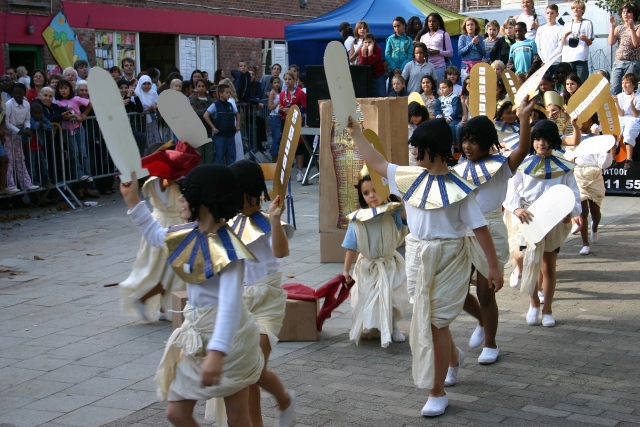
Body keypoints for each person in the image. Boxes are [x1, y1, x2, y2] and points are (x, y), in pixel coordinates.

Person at [346, 117, 503, 417]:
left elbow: (480, 228)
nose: (414, 153)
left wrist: (493, 267)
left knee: (435, 323)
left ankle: (436, 391)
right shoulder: (408, 177)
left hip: (450, 259)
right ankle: (452, 357)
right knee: (428, 318)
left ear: (435, 149)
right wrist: (356, 135)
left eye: (419, 148)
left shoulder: (460, 188)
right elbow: (377, 162)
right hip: (417, 255)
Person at [119, 165, 263, 426]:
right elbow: (155, 235)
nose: (181, 199)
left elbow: (230, 304)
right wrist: (132, 200)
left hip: (232, 340)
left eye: (186, 194)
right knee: (176, 413)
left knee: (237, 417)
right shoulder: (188, 234)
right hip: (196, 338)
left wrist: (217, 353)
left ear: (206, 200)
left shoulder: (230, 250)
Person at [453, 98, 535, 366]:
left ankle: (491, 342)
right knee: (456, 291)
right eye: (465, 139)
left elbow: (523, 148)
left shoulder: (500, 167)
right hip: (463, 232)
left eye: (474, 141)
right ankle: (480, 320)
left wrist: (523, 118)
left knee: (486, 292)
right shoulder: (456, 169)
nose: (467, 145)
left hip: (491, 228)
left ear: (487, 142)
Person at [218, 160, 296, 427]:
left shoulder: (268, 219)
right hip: (240, 302)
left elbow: (280, 251)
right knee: (245, 374)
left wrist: (275, 220)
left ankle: (284, 399)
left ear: (250, 189)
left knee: (255, 370)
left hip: (268, 300)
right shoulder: (227, 222)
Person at [503, 120, 582, 327]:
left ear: (554, 141)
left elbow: (572, 192)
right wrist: (517, 208)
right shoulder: (523, 163)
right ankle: (534, 304)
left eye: (546, 139)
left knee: (548, 266)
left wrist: (571, 213)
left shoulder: (563, 164)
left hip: (553, 221)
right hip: (527, 219)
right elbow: (510, 191)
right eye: (537, 139)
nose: (542, 143)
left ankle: (547, 309)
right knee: (525, 257)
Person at [119, 142, 200, 321]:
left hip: (171, 223)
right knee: (162, 271)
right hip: (163, 225)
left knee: (170, 271)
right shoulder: (162, 179)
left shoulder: (174, 179)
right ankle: (143, 298)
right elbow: (168, 178)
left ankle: (163, 306)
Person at [342, 171, 408, 348]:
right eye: (366, 193)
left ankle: (393, 326)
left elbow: (407, 218)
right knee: (368, 297)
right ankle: (374, 325)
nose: (372, 195)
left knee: (393, 296)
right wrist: (345, 271)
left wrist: (402, 200)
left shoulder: (393, 212)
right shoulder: (357, 219)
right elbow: (351, 246)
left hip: (389, 263)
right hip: (367, 266)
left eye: (375, 190)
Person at [55, 79, 94, 191]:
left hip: (78, 128)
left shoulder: (75, 99)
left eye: (65, 88)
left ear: (70, 89)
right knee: (74, 152)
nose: (63, 90)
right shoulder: (58, 103)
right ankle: (80, 173)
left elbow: (90, 103)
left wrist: (84, 114)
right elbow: (62, 115)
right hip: (67, 130)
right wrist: (73, 116)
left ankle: (88, 174)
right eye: (61, 88)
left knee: (83, 152)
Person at [4, 83, 39, 193]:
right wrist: (19, 131)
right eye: (15, 93)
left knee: (20, 159)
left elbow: (27, 118)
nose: (18, 95)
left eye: (20, 93)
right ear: (12, 94)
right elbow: (6, 122)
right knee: (9, 160)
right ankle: (10, 184)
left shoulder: (26, 104)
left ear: (24, 93)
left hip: (19, 134)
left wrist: (27, 128)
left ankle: (26, 183)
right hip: (9, 134)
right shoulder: (8, 104)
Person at [278, 71, 306, 181]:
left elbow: (304, 107)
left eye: (290, 79)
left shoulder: (300, 92)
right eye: (285, 79)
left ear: (294, 80)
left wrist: (294, 109)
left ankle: (299, 171)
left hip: (297, 121)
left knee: (299, 146)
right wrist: (281, 109)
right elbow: (280, 107)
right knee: (286, 146)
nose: (287, 81)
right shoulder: (282, 94)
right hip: (286, 121)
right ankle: (287, 171)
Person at [203, 84, 240, 165]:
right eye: (227, 92)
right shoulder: (215, 105)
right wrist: (213, 127)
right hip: (220, 135)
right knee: (220, 156)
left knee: (231, 156)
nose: (229, 94)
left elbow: (237, 114)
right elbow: (206, 115)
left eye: (229, 92)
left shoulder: (230, 105)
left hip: (230, 134)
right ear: (220, 94)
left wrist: (237, 125)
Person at [608, 3, 640, 95]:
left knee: (629, 88)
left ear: (634, 14)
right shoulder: (619, 28)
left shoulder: (638, 27)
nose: (625, 14)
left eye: (628, 12)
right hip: (619, 61)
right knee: (614, 88)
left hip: (632, 62)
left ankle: (630, 108)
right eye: (623, 12)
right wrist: (612, 26)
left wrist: (632, 29)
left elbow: (636, 43)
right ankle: (616, 108)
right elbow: (611, 42)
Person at [561, 0, 593, 84]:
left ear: (583, 10)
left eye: (578, 8)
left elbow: (590, 42)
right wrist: (565, 36)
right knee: (568, 84)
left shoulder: (587, 23)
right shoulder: (567, 23)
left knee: (581, 84)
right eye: (573, 8)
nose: (575, 10)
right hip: (568, 59)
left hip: (581, 59)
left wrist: (585, 39)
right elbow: (563, 42)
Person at [613, 72, 640, 169]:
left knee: (628, 133)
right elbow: (621, 113)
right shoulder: (620, 96)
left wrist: (632, 103)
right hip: (622, 118)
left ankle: (629, 159)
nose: (624, 85)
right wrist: (616, 102)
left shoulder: (638, 96)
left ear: (633, 84)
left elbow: (635, 114)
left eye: (627, 83)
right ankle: (612, 159)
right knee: (615, 132)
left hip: (634, 119)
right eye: (623, 83)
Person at [417, 13, 453, 84]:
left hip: (439, 67)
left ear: (438, 22)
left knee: (439, 88)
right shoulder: (423, 36)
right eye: (429, 21)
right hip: (425, 66)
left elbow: (450, 53)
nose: (431, 23)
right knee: (426, 88)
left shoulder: (444, 34)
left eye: (434, 21)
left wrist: (438, 52)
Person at [27, 102, 54, 189]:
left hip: (39, 145)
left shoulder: (42, 117)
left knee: (43, 164)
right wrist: (39, 123)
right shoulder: (30, 118)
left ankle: (45, 181)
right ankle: (34, 181)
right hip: (30, 146)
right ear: (31, 113)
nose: (38, 115)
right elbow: (34, 127)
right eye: (35, 113)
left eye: (40, 113)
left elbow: (50, 126)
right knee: (32, 165)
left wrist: (43, 125)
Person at [190, 78, 215, 164]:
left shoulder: (210, 99)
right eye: (199, 86)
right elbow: (194, 112)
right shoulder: (193, 100)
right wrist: (206, 111)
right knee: (199, 153)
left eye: (203, 86)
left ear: (206, 87)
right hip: (198, 131)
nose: (201, 88)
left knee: (209, 153)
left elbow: (213, 110)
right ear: (196, 87)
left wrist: (207, 112)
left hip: (208, 129)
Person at [535, 4, 564, 78]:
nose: (549, 15)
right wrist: (544, 60)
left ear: (557, 14)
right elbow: (538, 47)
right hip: (544, 64)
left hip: (556, 63)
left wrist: (548, 60)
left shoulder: (561, 28)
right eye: (547, 13)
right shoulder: (541, 29)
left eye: (552, 13)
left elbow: (560, 47)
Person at [386, 17, 413, 92]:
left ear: (403, 25)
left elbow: (410, 55)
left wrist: (402, 69)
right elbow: (387, 55)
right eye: (394, 26)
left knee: (404, 90)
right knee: (392, 90)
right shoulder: (390, 39)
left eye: (398, 26)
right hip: (392, 70)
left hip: (405, 70)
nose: (396, 28)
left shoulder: (408, 40)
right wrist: (394, 68)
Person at [135, 75, 161, 148]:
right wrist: (148, 109)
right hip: (141, 122)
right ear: (140, 84)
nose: (147, 86)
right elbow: (137, 109)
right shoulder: (137, 93)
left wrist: (155, 106)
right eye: (144, 84)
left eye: (149, 84)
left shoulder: (153, 93)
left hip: (152, 122)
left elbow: (157, 102)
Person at [358, 33, 386, 98]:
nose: (367, 44)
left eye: (370, 42)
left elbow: (371, 62)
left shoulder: (378, 49)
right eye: (365, 42)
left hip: (378, 75)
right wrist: (364, 54)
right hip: (368, 77)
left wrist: (370, 51)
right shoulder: (361, 50)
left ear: (374, 42)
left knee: (381, 95)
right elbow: (363, 65)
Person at [437, 79, 462, 144]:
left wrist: (449, 119)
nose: (441, 90)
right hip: (443, 118)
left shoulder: (454, 97)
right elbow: (437, 109)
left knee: (451, 126)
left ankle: (452, 143)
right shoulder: (440, 98)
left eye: (444, 88)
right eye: (440, 88)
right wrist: (439, 116)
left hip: (454, 118)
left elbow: (456, 110)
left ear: (451, 88)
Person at [267, 76, 283, 162]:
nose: (277, 84)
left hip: (280, 116)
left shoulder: (281, 92)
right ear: (272, 84)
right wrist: (278, 102)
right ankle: (274, 158)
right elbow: (270, 107)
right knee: (276, 138)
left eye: (278, 82)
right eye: (275, 83)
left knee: (280, 138)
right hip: (274, 117)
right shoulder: (272, 93)